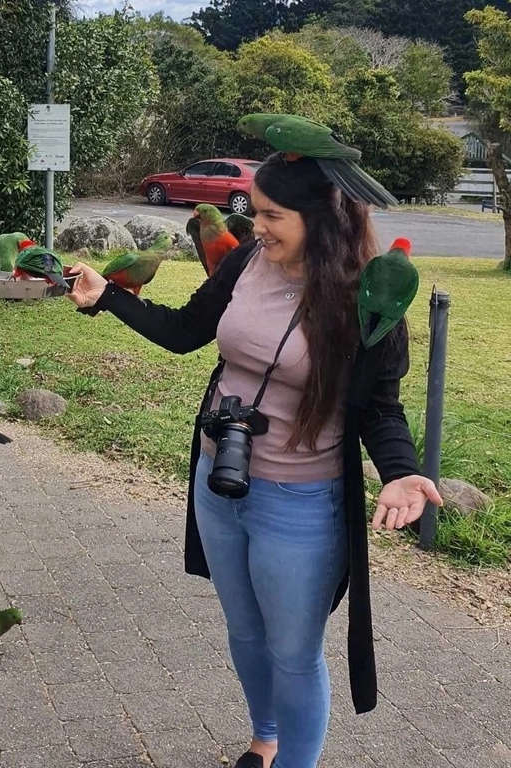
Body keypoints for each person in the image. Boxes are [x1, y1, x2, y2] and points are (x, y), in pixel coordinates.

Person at [66, 152, 442, 768]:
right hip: (219, 479)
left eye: (273, 214)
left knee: (294, 653)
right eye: (256, 211)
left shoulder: (366, 295)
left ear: (323, 220)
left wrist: (399, 471)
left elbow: (379, 407)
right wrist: (109, 297)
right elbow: (188, 330)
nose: (255, 225)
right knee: (244, 632)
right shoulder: (245, 260)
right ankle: (263, 740)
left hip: (301, 503)